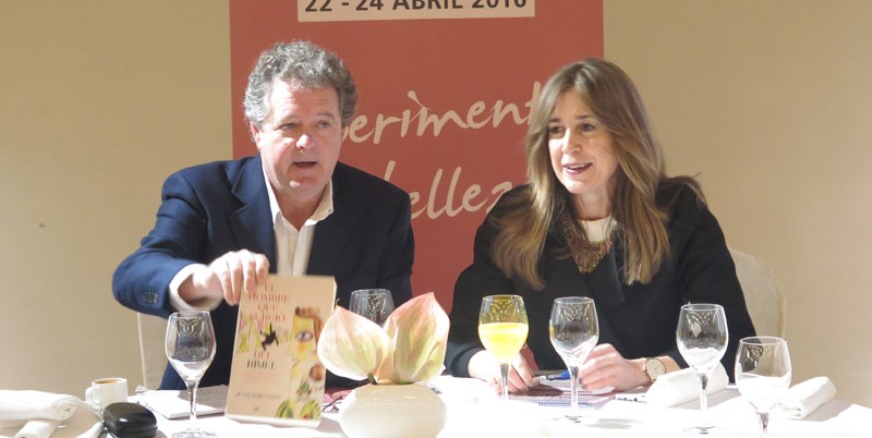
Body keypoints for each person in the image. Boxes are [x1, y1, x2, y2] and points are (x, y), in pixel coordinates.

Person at [113, 40, 415, 389]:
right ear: (257, 132)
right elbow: (133, 275)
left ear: (343, 132)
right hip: (215, 403)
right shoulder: (203, 191)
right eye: (290, 125)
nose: (307, 142)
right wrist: (206, 280)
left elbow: (392, 329)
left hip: (333, 405)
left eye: (323, 125)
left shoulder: (382, 208)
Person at [445, 57, 754, 393]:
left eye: (587, 127)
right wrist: (490, 363)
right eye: (556, 130)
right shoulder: (513, 217)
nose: (569, 145)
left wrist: (643, 370)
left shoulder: (678, 211)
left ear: (624, 133)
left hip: (659, 408)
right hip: (558, 412)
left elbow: (731, 345)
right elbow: (460, 340)